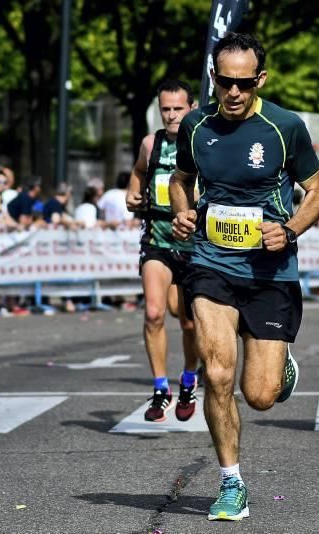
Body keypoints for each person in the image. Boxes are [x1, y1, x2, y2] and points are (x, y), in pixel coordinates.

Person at [169, 33, 319, 521]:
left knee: (259, 395)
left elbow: (318, 187)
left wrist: (292, 229)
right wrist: (182, 212)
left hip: (269, 272)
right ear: (214, 78)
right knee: (217, 373)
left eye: (243, 83)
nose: (233, 93)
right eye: (224, 82)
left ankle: (281, 368)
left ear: (260, 79)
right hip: (211, 261)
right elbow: (182, 178)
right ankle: (231, 482)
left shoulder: (284, 127)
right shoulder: (195, 126)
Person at [125, 79, 199, 423]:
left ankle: (188, 379)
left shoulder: (202, 143)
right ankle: (159, 388)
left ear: (191, 107)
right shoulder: (150, 143)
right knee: (154, 313)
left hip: (194, 245)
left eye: (177, 109)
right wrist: (132, 192)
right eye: (165, 109)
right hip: (156, 238)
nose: (171, 116)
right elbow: (139, 172)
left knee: (186, 321)